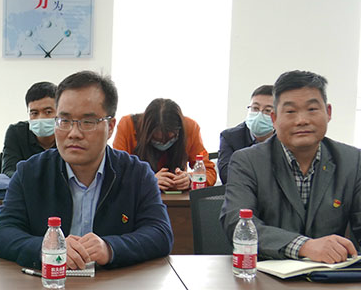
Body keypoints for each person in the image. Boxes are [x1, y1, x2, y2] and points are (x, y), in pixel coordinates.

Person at [0, 71, 173, 269]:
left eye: (87, 122)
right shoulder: (29, 173)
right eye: (64, 121)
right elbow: (1, 233)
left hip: (112, 284)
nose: (74, 133)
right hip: (49, 283)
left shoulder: (137, 174)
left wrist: (110, 248)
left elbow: (160, 233)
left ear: (111, 127)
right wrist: (47, 248)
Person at [221, 70, 361, 263]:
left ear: (328, 112)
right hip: (265, 274)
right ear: (274, 119)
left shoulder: (352, 160)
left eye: (312, 109)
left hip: (330, 274)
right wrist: (305, 246)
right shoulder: (247, 161)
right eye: (290, 111)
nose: (302, 120)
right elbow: (237, 223)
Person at [113, 98, 216, 191]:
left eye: (170, 138)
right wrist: (147, 180)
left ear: (179, 132)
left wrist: (191, 179)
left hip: (179, 201)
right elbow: (116, 174)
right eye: (157, 139)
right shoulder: (127, 126)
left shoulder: (190, 128)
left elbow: (209, 172)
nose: (163, 144)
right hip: (138, 200)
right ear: (146, 132)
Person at [218, 85, 275, 183]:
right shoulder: (230, 137)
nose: (259, 115)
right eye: (255, 108)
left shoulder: (285, 138)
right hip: (241, 191)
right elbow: (226, 176)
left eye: (267, 110)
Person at [0, 81, 57, 177]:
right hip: (25, 185)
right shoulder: (16, 132)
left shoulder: (69, 133)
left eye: (48, 112)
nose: (40, 118)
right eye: (34, 113)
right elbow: (9, 171)